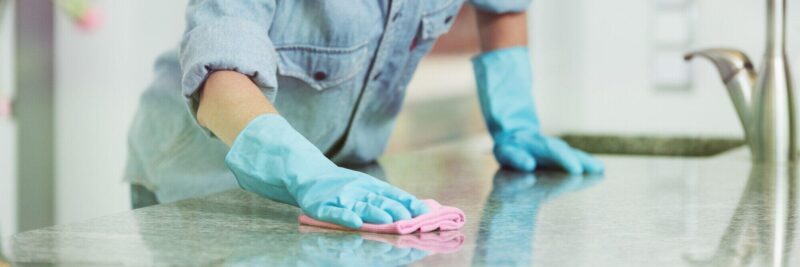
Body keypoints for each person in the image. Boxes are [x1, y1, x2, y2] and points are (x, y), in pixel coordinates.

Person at [124, 0, 604, 229]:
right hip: (199, 183)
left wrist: (514, 116)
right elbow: (220, 76)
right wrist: (305, 173)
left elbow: (503, 7)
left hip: (345, 178)